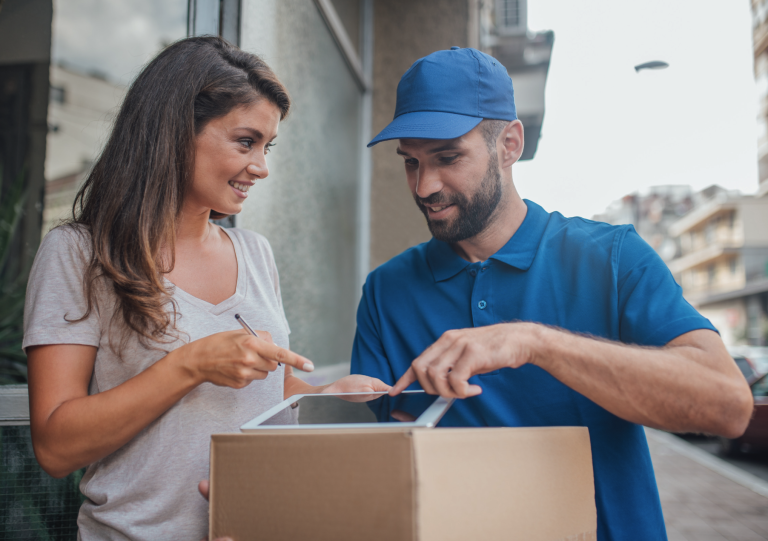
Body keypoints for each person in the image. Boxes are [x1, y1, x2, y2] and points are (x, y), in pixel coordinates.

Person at [351, 47, 754, 541]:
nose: (425, 185)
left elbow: (729, 407)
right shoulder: (386, 290)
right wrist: (299, 407)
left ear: (510, 144)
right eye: (410, 162)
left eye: (447, 157)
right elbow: (361, 453)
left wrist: (536, 343)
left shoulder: (612, 257)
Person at [23, 36, 388, 541]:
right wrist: (190, 365)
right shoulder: (78, 254)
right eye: (246, 142)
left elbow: (259, 389)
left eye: (267, 147)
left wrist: (320, 394)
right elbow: (56, 447)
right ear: (174, 132)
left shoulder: (255, 253)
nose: (261, 166)